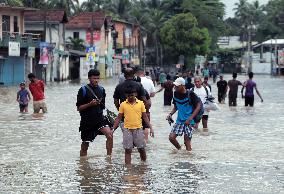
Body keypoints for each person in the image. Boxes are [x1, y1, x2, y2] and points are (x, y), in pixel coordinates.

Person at [76, 69, 113, 157]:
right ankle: (83, 163)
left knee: (110, 135)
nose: (96, 80)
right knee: (85, 145)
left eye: (98, 78)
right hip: (87, 121)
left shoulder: (102, 89)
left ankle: (109, 158)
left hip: (99, 118)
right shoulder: (83, 90)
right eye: (94, 78)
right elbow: (79, 108)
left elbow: (102, 106)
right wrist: (90, 104)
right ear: (89, 78)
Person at [112, 87, 154, 165]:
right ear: (126, 95)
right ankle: (128, 168)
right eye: (128, 96)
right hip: (127, 129)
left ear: (135, 94)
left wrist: (151, 128)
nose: (130, 97)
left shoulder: (141, 103)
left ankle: (144, 165)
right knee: (128, 150)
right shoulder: (123, 104)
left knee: (141, 148)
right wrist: (113, 129)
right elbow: (119, 118)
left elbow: (145, 117)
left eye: (132, 95)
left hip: (138, 129)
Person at [167, 77, 201, 151]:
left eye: (177, 86)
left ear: (182, 86)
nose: (175, 87)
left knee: (187, 141)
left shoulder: (190, 94)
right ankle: (180, 150)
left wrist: (190, 118)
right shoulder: (175, 93)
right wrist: (170, 114)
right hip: (179, 120)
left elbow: (198, 106)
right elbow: (176, 106)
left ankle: (189, 158)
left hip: (189, 121)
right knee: (171, 138)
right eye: (175, 85)